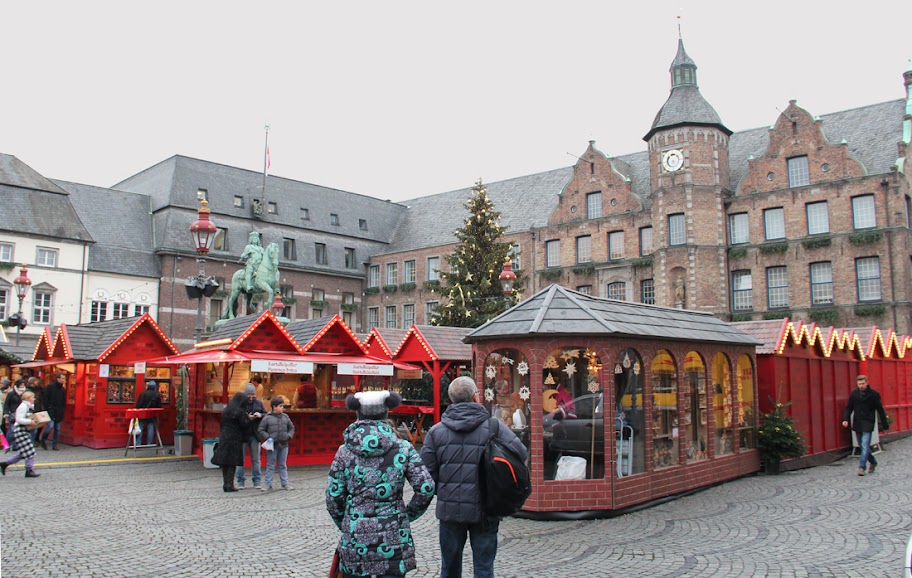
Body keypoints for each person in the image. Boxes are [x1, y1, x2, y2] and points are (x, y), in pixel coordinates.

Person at [420, 376, 528, 578]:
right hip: (486, 507)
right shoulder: (494, 427)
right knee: (484, 568)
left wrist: (445, 491)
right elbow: (520, 453)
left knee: (449, 569)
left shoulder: (436, 432)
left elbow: (425, 473)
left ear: (451, 399)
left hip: (450, 511)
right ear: (475, 396)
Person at [326, 391, 435, 578]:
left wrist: (347, 522)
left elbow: (333, 498)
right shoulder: (403, 448)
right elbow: (426, 487)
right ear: (386, 414)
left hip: (355, 541)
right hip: (393, 541)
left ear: (358, 413)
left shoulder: (344, 451)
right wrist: (407, 515)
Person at [842, 374, 889, 476]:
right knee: (862, 446)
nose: (861, 386)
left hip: (868, 421)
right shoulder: (854, 394)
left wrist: (885, 424)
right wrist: (845, 419)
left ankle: (861, 467)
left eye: (863, 383)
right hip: (858, 422)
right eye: (859, 384)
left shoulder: (874, 394)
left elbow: (880, 409)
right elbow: (849, 407)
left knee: (864, 445)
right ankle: (873, 461)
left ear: (867, 383)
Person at [257, 396, 295, 491]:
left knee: (283, 465)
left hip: (284, 444)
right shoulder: (267, 418)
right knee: (270, 465)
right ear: (274, 407)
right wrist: (268, 437)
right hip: (272, 445)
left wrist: (289, 436)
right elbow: (261, 430)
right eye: (281, 406)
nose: (283, 408)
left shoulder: (286, 417)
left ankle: (285, 483)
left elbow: (292, 428)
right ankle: (267, 484)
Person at [1, 390, 42, 478]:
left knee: (24, 452)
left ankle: (5, 464)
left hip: (24, 431)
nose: (34, 399)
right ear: (28, 398)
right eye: (32, 397)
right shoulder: (23, 406)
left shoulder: (28, 407)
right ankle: (29, 470)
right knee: (30, 451)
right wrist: (30, 421)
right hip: (20, 431)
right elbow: (19, 419)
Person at [212, 392, 247, 492]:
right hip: (235, 438)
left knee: (225, 461)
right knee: (232, 461)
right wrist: (249, 418)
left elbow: (222, 424)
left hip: (224, 437)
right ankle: (230, 484)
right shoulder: (239, 412)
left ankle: (225, 484)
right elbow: (244, 424)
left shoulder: (226, 410)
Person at [236, 383, 266, 489]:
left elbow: (266, 414)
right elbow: (235, 416)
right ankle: (240, 481)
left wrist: (260, 415)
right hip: (242, 434)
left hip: (255, 434)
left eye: (253, 396)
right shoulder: (240, 404)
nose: (251, 398)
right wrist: (246, 417)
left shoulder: (259, 403)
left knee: (256, 459)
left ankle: (257, 481)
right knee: (240, 459)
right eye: (249, 396)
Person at [39, 373, 67, 450]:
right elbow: (45, 398)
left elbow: (64, 401)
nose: (64, 380)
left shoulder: (63, 390)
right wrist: (47, 408)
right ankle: (43, 439)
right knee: (50, 426)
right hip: (51, 410)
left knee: (57, 428)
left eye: (64, 379)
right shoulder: (50, 387)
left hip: (59, 411)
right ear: (58, 379)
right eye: (63, 378)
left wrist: (62, 409)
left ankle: (55, 444)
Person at [133, 380, 162, 446]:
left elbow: (138, 405)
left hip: (142, 413)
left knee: (140, 427)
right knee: (151, 427)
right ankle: (149, 443)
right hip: (151, 414)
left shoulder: (143, 394)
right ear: (154, 387)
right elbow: (159, 406)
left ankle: (138, 443)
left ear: (148, 386)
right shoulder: (157, 395)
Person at [3, 381, 25, 452]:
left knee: (17, 430)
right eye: (21, 385)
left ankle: (15, 446)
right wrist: (6, 413)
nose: (23, 386)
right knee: (12, 431)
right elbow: (6, 404)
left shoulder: (24, 393)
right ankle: (7, 444)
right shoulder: (11, 393)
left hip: (21, 414)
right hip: (13, 414)